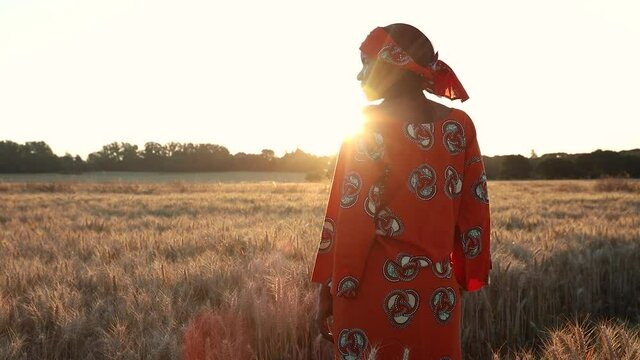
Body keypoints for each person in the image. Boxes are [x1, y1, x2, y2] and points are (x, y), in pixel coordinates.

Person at [310, 24, 491, 360]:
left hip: (372, 290)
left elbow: (351, 217)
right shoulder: (458, 126)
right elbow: (474, 210)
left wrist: (333, 287)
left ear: (391, 66)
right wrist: (467, 272)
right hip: (438, 294)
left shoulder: (370, 124)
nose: (359, 75)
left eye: (366, 63)